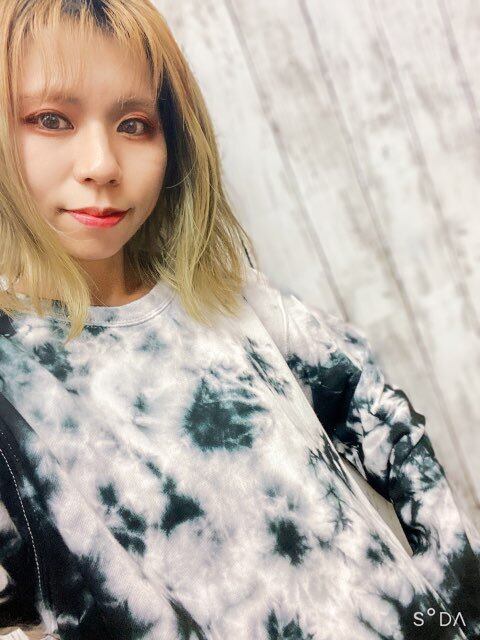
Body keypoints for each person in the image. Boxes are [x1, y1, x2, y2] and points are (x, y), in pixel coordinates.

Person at [0, 1, 478, 639]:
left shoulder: (229, 298)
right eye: (52, 120)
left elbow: (380, 416)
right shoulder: (13, 388)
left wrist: (456, 604)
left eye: (135, 124)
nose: (103, 165)